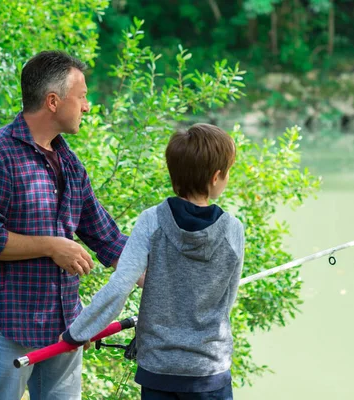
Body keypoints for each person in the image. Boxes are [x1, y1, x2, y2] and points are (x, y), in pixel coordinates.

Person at [0, 50, 128, 400]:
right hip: (5, 328)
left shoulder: (68, 160)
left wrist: (158, 273)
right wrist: (52, 245)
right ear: (53, 101)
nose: (87, 106)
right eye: (81, 97)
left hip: (65, 328)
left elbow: (106, 237)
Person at [61, 123, 244, 400]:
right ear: (217, 177)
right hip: (209, 372)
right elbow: (227, 300)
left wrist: (78, 332)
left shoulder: (152, 220)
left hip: (159, 372)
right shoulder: (233, 229)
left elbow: (120, 286)